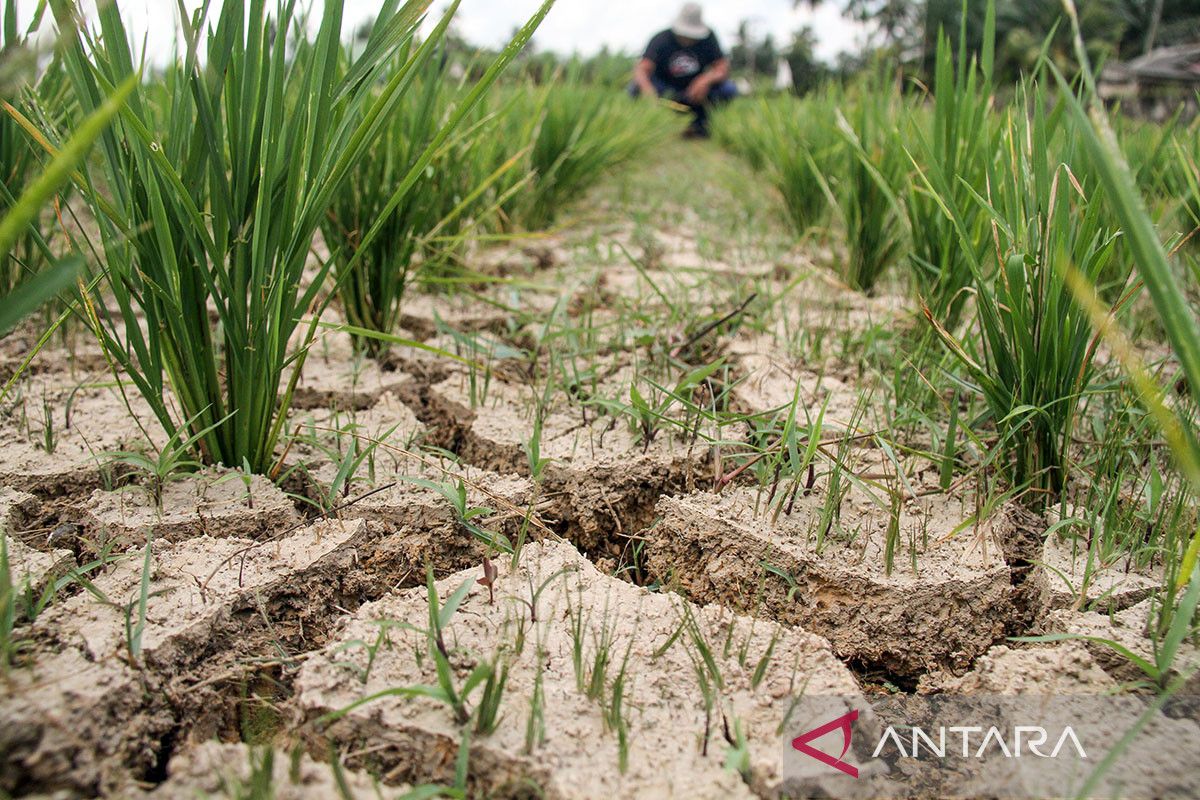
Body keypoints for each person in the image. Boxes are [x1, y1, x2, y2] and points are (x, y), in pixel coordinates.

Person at [630, 3, 736, 139]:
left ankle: (700, 125)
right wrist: (648, 91)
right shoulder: (661, 39)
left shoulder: (709, 38)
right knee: (635, 88)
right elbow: (641, 69)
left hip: (694, 94)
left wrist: (706, 79)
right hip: (665, 92)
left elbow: (723, 68)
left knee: (728, 89)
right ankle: (651, 125)